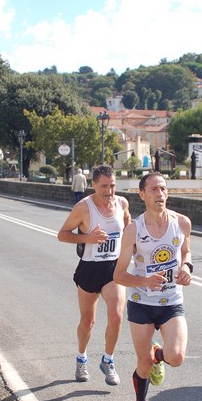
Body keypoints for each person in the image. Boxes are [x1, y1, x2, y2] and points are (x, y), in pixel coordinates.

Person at [114, 172, 193, 401]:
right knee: (143, 363)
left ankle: (159, 355)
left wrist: (187, 268)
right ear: (142, 195)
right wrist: (144, 281)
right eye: (153, 189)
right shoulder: (133, 231)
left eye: (163, 189)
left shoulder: (181, 223)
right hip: (141, 301)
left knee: (177, 356)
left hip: (171, 300)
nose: (160, 194)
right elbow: (119, 274)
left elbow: (186, 251)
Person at [58, 165, 131, 385]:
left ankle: (108, 360)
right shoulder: (84, 207)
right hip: (90, 268)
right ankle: (82, 357)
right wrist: (86, 238)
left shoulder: (122, 204)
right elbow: (62, 235)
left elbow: (128, 229)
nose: (109, 191)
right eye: (104, 186)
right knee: (88, 321)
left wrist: (135, 255)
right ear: (93, 185)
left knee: (117, 316)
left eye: (112, 186)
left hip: (113, 269)